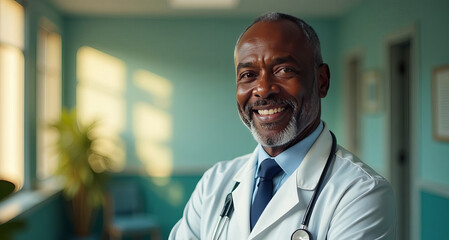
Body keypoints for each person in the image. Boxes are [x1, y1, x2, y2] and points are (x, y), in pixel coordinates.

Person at [169, 12, 396, 240]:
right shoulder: (214, 183)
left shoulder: (362, 192)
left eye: (284, 70)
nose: (263, 89)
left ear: (322, 81)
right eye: (248, 74)